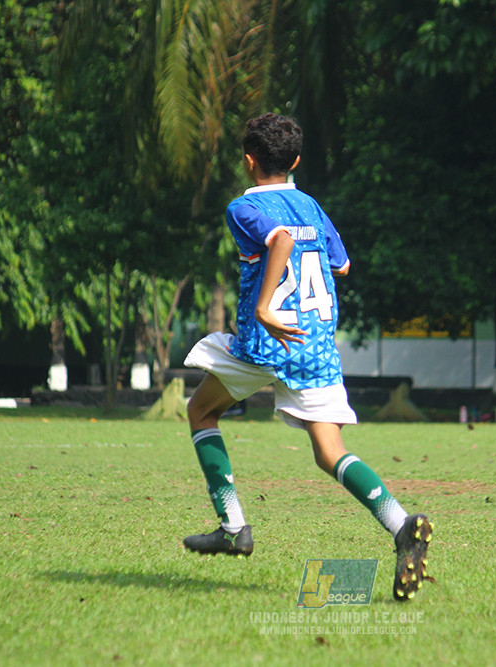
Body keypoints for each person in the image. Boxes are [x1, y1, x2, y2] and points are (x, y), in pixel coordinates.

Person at [181, 113, 433, 601]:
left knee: (201, 410)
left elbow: (278, 240)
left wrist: (263, 303)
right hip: (314, 346)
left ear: (249, 161)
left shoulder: (242, 206)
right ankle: (403, 526)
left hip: (266, 341)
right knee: (329, 452)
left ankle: (233, 525)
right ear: (295, 161)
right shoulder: (312, 205)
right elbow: (341, 264)